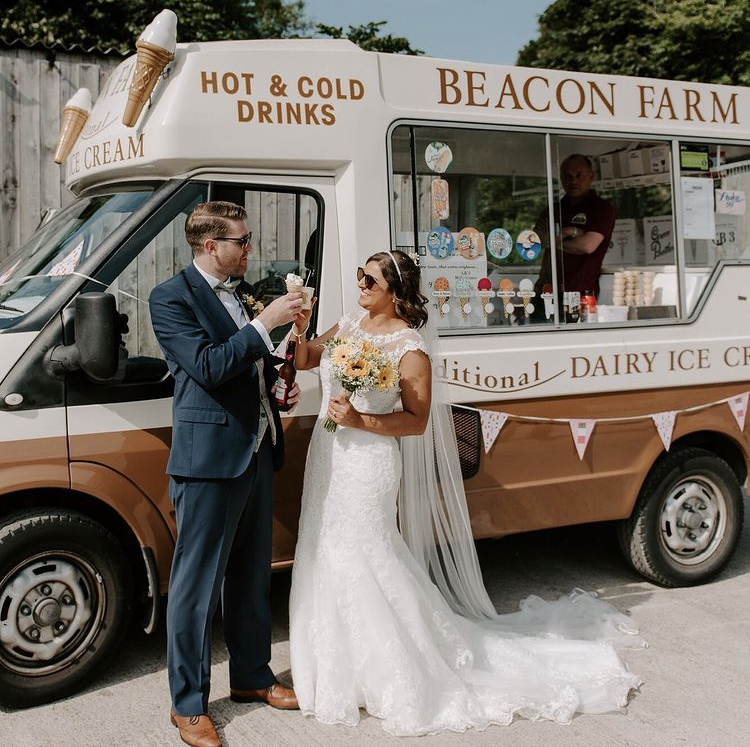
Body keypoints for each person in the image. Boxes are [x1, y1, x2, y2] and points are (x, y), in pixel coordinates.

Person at [287, 249, 643, 736]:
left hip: (369, 463)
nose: (361, 285)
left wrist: (361, 419)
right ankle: (334, 667)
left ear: (394, 289)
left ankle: (391, 671)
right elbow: (308, 359)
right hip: (329, 458)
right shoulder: (349, 324)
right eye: (359, 277)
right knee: (324, 549)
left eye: (370, 279)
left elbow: (416, 422)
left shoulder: (409, 347)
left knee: (363, 554)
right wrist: (301, 326)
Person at [149, 201, 304, 747]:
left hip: (258, 449)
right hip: (209, 457)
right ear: (211, 246)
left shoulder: (239, 294)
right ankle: (187, 703)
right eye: (242, 240)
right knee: (195, 587)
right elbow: (210, 366)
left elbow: (250, 367)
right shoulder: (170, 297)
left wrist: (281, 360)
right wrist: (266, 324)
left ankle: (252, 677)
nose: (250, 248)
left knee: (251, 574)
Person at [535, 153, 615, 301]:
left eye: (579, 175)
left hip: (579, 293)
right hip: (546, 290)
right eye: (568, 176)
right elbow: (534, 242)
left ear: (591, 176)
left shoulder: (601, 208)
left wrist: (553, 241)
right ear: (561, 178)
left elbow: (587, 245)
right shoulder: (554, 209)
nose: (573, 181)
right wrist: (570, 231)